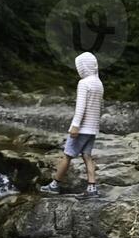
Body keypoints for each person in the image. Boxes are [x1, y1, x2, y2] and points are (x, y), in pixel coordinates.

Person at [41, 51, 104, 197]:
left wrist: (75, 125)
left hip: (81, 128)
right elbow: (98, 107)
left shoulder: (84, 83)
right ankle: (92, 188)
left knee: (67, 156)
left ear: (84, 67)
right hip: (92, 129)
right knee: (87, 156)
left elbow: (80, 108)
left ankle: (55, 185)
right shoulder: (98, 83)